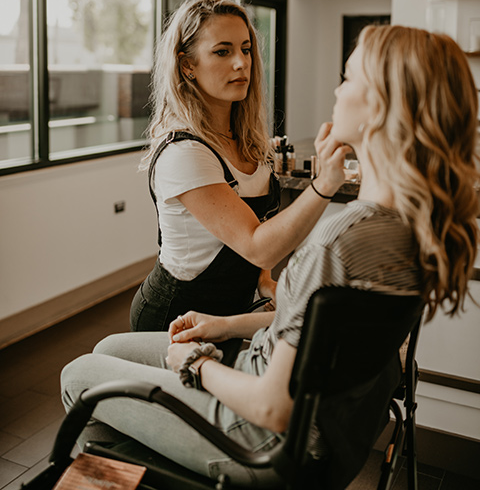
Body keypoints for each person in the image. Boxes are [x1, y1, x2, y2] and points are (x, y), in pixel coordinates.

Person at [61, 25, 478, 487]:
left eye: (348, 78)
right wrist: (226, 326)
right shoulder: (414, 222)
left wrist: (197, 363)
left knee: (80, 373)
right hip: (318, 423)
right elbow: (319, 335)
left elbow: (271, 407)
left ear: (380, 107)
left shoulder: (339, 241)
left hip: (261, 437)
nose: (337, 90)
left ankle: (144, 473)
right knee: (111, 350)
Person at [129, 0, 348, 335]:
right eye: (222, 51)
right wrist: (325, 184)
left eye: (245, 49)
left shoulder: (248, 140)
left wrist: (263, 281)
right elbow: (258, 245)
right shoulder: (185, 152)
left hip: (230, 313)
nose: (241, 63)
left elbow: (255, 223)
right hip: (172, 318)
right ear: (187, 65)